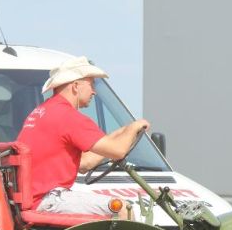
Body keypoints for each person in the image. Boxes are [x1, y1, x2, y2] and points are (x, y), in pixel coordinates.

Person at [16, 56, 150, 216]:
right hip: (47, 199)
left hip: (35, 198)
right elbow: (119, 151)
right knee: (122, 207)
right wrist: (135, 125)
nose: (94, 91)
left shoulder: (43, 111)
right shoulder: (68, 117)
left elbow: (85, 163)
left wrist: (122, 132)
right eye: (91, 84)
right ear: (75, 86)